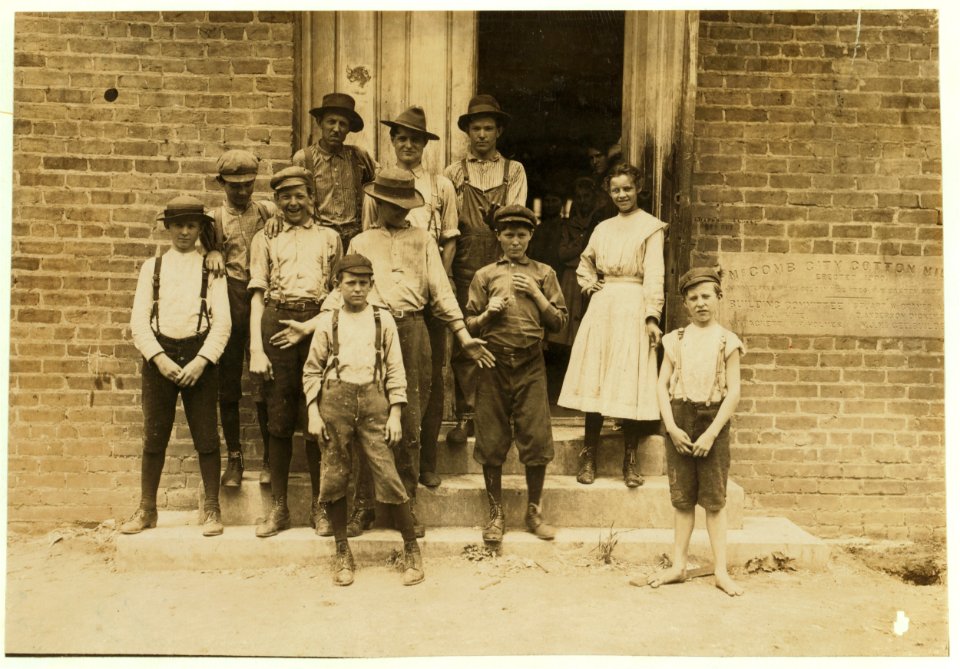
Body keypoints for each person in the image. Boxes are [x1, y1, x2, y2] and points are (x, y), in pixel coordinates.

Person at [342, 168, 494, 536]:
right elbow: (344, 293)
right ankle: (363, 507)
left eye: (403, 205)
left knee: (408, 420)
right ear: (377, 203)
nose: (398, 212)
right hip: (370, 329)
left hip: (412, 329)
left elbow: (441, 292)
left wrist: (462, 334)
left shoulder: (424, 239)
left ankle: (405, 505)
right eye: (390, 205)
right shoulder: (360, 242)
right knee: (369, 417)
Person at [302, 254, 425, 587]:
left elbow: (396, 369)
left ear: (371, 285)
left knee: (387, 472)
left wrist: (396, 412)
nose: (357, 289)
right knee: (336, 474)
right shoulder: (329, 321)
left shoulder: (382, 320)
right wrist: (313, 411)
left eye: (363, 283)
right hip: (334, 402)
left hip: (374, 401)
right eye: (350, 283)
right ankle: (342, 551)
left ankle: (411, 549)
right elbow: (312, 370)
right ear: (338, 285)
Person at [362, 106, 460, 489]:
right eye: (401, 138)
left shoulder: (441, 185)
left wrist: (440, 282)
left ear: (424, 144)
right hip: (390, 294)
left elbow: (450, 237)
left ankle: (426, 462)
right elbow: (371, 234)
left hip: (429, 290)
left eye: (415, 139)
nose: (407, 145)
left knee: (430, 376)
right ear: (392, 141)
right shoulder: (379, 185)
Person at [122, 196, 231, 536]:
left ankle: (212, 509)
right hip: (160, 358)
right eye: (179, 225)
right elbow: (139, 323)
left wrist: (202, 361)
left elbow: (223, 323)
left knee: (206, 436)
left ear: (201, 229)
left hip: (199, 355)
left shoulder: (211, 268)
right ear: (167, 228)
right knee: (155, 435)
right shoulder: (151, 268)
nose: (185, 232)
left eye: (192, 225)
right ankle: (147, 508)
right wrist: (158, 359)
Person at [558, 162, 666, 488]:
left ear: (638, 189)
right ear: (609, 191)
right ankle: (588, 456)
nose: (622, 195)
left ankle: (629, 461)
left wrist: (651, 316)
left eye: (628, 189)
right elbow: (585, 262)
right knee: (598, 375)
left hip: (634, 304)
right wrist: (590, 283)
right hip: (604, 307)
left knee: (627, 377)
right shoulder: (602, 228)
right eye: (616, 189)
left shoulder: (651, 227)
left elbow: (655, 275)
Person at [248, 166, 343, 538]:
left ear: (311, 198)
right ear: (276, 202)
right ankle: (279, 508)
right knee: (279, 416)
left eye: (299, 195)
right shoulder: (265, 238)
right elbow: (257, 293)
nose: (292, 202)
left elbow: (337, 291)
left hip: (316, 322)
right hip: (276, 321)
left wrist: (318, 324)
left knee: (317, 412)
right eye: (284, 196)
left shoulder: (331, 238)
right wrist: (257, 347)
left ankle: (322, 509)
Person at [465, 205, 567, 544]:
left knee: (536, 438)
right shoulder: (485, 275)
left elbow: (559, 323)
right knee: (491, 439)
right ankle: (495, 514)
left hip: (531, 362)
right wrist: (486, 317)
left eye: (521, 235)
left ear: (531, 237)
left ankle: (534, 511)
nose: (515, 241)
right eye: (508, 234)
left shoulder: (544, 273)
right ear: (498, 236)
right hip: (493, 363)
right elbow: (467, 324)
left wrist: (537, 295)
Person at [645, 267, 744, 597]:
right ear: (685, 304)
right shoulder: (675, 340)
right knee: (683, 499)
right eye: (693, 298)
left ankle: (720, 571)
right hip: (681, 421)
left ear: (718, 298)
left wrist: (712, 433)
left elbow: (733, 393)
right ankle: (678, 565)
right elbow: (661, 386)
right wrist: (671, 428)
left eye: (706, 296)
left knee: (714, 501)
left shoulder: (727, 342)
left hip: (712, 422)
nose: (700, 303)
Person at [444, 94, 528, 447]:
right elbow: (449, 223)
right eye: (475, 128)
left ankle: (499, 417)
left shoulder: (514, 170)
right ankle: (466, 416)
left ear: (499, 131)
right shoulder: (453, 172)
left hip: (500, 261)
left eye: (488, 128)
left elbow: (517, 219)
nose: (481, 135)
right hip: (465, 262)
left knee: (503, 335)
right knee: (467, 338)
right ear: (467, 132)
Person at [202, 149, 276, 487]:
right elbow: (198, 249)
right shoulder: (212, 219)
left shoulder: (267, 211)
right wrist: (212, 250)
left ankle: (272, 459)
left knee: (265, 379)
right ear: (222, 183)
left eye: (248, 185)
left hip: (263, 295)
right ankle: (235, 458)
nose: (242, 192)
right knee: (228, 382)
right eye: (235, 186)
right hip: (230, 297)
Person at [292, 92, 377, 250]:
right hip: (319, 238)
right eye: (331, 122)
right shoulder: (303, 158)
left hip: (355, 239)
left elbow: (377, 185)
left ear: (349, 129)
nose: (336, 129)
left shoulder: (359, 156)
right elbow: (292, 195)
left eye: (342, 124)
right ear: (320, 122)